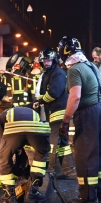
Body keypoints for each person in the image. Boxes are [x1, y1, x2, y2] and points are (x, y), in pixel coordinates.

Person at [58, 36, 101, 203]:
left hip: (88, 113)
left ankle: (87, 196)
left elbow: (75, 96)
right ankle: (100, 192)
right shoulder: (90, 65)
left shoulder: (74, 70)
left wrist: (65, 121)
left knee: (85, 155)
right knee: (98, 153)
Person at [0, 106, 51, 203]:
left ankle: (10, 202)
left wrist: (7, 153)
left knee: (4, 160)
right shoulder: (32, 112)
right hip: (38, 129)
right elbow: (29, 138)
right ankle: (32, 193)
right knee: (40, 155)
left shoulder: (2, 117)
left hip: (14, 130)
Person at [33, 48, 75, 178]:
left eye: (49, 60)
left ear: (54, 59)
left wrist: (41, 100)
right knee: (63, 143)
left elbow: (54, 93)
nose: (46, 62)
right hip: (54, 112)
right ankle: (68, 169)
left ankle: (50, 169)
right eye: (44, 60)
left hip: (59, 113)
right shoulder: (48, 73)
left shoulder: (58, 73)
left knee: (52, 142)